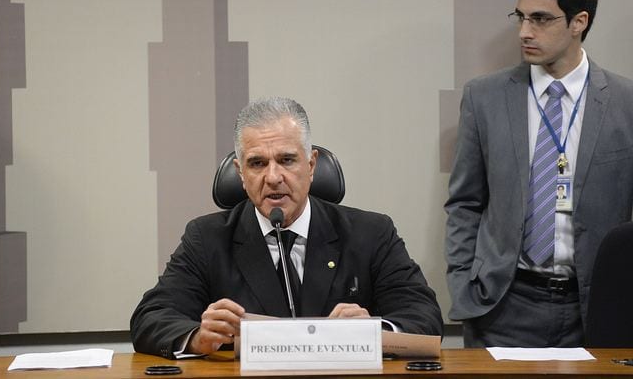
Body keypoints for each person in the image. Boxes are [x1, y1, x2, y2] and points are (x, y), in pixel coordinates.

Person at [131, 97, 443, 358]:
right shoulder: (207, 238)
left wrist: (374, 330)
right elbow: (151, 318)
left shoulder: (370, 233)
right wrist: (197, 336)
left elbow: (424, 316)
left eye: (287, 160)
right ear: (240, 173)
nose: (273, 177)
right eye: (257, 163)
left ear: (311, 165)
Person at [445, 0, 633, 347]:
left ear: (578, 22)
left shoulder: (625, 103)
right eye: (521, 17)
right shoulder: (485, 97)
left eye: (541, 19)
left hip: (597, 307)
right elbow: (464, 202)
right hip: (502, 305)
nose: (524, 32)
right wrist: (464, 282)